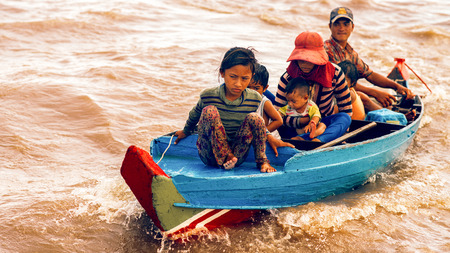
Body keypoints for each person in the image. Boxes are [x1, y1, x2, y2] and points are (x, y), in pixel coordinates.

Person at [174, 47, 276, 173]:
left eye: (244, 78)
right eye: (233, 77)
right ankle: (226, 155)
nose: (238, 84)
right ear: (222, 73)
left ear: (251, 77)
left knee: (255, 118)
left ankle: (263, 162)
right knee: (209, 111)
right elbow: (195, 114)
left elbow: (256, 126)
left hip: (236, 155)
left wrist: (269, 136)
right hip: (210, 155)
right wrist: (186, 131)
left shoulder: (254, 98)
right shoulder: (209, 95)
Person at [324, 7, 414, 111]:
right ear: (330, 26)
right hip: (330, 98)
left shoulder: (350, 52)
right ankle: (395, 118)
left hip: (344, 95)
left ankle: (390, 113)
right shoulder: (327, 50)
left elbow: (370, 74)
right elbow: (343, 83)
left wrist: (397, 86)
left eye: (346, 24)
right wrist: (374, 93)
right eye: (337, 24)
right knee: (363, 97)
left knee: (387, 100)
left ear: (352, 27)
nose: (341, 28)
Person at [273, 31, 352, 143]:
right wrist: (301, 122)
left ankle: (318, 141)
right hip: (293, 128)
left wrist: (342, 134)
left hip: (322, 126)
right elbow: (277, 114)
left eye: (309, 60)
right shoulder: (287, 78)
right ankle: (303, 139)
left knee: (345, 118)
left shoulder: (335, 73)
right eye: (301, 59)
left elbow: (346, 107)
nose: (304, 64)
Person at [279, 77, 327, 141]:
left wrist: (311, 123)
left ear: (305, 98)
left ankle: (315, 133)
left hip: (308, 129)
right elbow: (278, 113)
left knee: (322, 125)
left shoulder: (311, 106)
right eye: (288, 101)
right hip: (295, 130)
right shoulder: (288, 107)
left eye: (293, 101)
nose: (290, 104)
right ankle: (300, 138)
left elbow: (316, 116)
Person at [248, 63, 283, 133]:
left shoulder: (264, 102)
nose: (252, 91)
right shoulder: (242, 98)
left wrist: (262, 133)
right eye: (248, 87)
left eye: (256, 88)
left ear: (265, 88)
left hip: (267, 139)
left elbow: (279, 121)